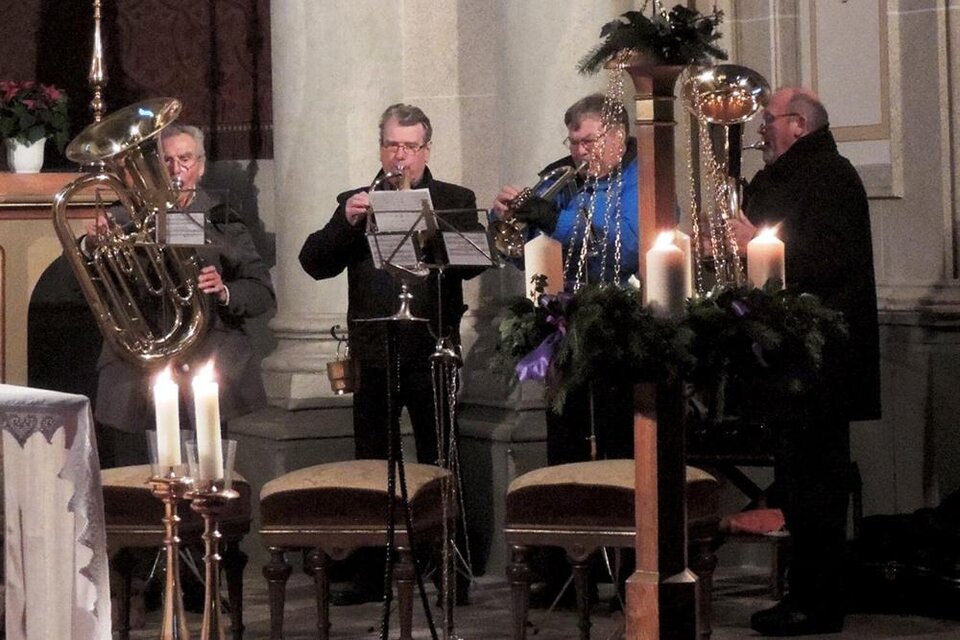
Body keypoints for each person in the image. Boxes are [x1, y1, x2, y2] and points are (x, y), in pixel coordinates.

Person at [299, 103, 482, 603]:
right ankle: (371, 575)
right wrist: (345, 221)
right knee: (372, 465)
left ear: (426, 149)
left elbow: (470, 267)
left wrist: (436, 234)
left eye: (410, 146)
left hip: (431, 349)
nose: (399, 156)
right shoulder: (358, 200)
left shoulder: (452, 198)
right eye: (391, 145)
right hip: (374, 352)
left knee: (440, 459)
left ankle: (451, 573)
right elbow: (313, 263)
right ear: (381, 146)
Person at [730, 87, 881, 636]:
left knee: (817, 485)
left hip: (821, 360)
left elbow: (830, 257)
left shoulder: (832, 177)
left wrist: (755, 243)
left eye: (768, 120)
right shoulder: (782, 176)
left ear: (798, 124)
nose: (760, 131)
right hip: (785, 355)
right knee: (796, 484)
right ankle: (803, 593)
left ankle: (819, 603)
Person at [89, 123, 276, 467]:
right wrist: (94, 247)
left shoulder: (222, 220)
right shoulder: (124, 219)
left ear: (201, 167)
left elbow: (261, 291)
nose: (177, 169)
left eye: (186, 159)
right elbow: (85, 286)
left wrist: (224, 291)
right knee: (148, 484)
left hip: (207, 363)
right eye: (168, 160)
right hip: (141, 369)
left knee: (207, 478)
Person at [492, 93, 639, 465]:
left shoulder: (643, 179)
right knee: (565, 437)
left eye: (588, 142)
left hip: (620, 327)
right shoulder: (559, 179)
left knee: (615, 440)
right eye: (573, 143)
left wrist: (553, 220)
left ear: (618, 138)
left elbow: (627, 247)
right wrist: (506, 222)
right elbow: (532, 258)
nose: (578, 152)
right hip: (562, 327)